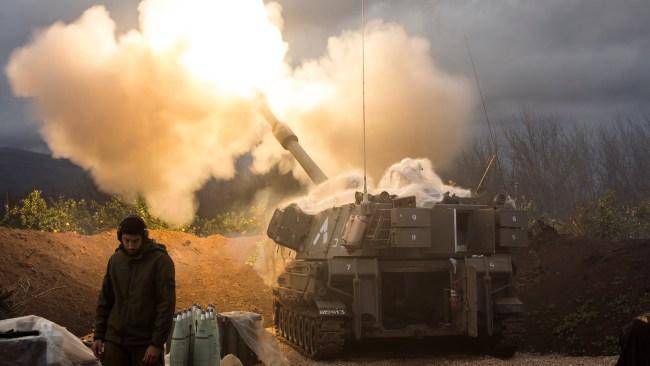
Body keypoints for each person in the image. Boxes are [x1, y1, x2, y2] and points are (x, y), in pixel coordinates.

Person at [92, 214, 176, 366]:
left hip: (144, 344)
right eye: (127, 241)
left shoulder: (160, 261)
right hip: (115, 341)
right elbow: (105, 299)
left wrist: (156, 344)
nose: (131, 246)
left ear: (143, 237)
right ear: (120, 238)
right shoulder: (116, 260)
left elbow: (166, 305)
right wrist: (98, 335)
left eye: (135, 241)